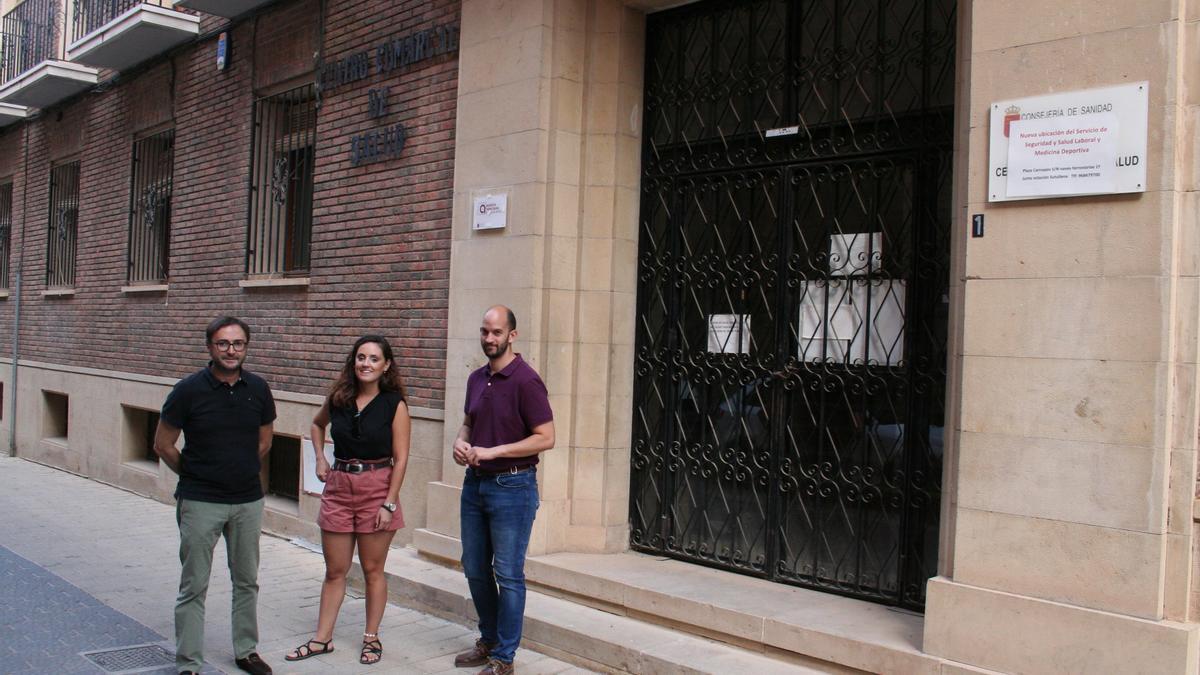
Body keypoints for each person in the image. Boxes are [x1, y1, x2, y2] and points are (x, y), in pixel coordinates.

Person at [153, 317, 276, 675]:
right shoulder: (188, 390)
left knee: (246, 580)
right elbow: (163, 444)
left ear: (246, 347)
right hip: (201, 501)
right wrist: (196, 474)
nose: (231, 350)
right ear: (210, 347)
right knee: (194, 585)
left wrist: (238, 468)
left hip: (247, 501)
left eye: (238, 343)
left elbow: (265, 440)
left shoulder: (258, 388)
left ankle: (246, 651)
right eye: (223, 343)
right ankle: (189, 662)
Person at [285, 335, 411, 666]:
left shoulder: (394, 404)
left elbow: (402, 457)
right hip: (339, 487)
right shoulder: (339, 398)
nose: (365, 364)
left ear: (386, 365)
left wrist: (390, 502)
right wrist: (320, 458)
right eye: (360, 357)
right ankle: (321, 639)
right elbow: (316, 425)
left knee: (372, 569)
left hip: (377, 487)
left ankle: (371, 638)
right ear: (353, 362)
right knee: (335, 570)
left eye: (373, 359)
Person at [452, 306, 555, 675]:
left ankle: (504, 658)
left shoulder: (527, 381)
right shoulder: (477, 378)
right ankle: (490, 639)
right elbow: (468, 423)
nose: (489, 339)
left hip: (513, 485)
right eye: (484, 332)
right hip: (475, 484)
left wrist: (493, 451)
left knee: (508, 574)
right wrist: (460, 443)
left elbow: (547, 438)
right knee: (476, 567)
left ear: (512, 335)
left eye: (496, 332)